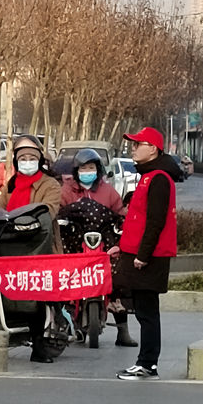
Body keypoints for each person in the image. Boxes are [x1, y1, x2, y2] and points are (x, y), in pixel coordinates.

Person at [113, 127, 180, 380]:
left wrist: (143, 254)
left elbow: (155, 222)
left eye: (137, 144)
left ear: (153, 148)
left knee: (148, 312)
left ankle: (148, 364)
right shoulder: (149, 176)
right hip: (139, 252)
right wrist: (123, 246)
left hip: (150, 257)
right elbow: (139, 220)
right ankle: (145, 362)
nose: (133, 148)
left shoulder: (160, 178)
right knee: (143, 311)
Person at [59, 148, 137, 348]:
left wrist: (122, 228)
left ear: (98, 169)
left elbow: (120, 213)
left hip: (104, 244)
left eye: (91, 168)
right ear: (76, 171)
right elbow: (58, 213)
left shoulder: (108, 191)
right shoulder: (66, 190)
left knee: (117, 277)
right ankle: (68, 323)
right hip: (75, 244)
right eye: (83, 168)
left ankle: (122, 330)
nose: (87, 172)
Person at [0, 135, 63, 363]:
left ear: (40, 160)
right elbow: (0, 211)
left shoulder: (50, 185)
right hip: (9, 246)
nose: (27, 161)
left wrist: (29, 220)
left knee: (36, 296)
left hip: (40, 246)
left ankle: (39, 344)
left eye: (31, 158)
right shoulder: (11, 186)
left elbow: (49, 210)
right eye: (22, 158)